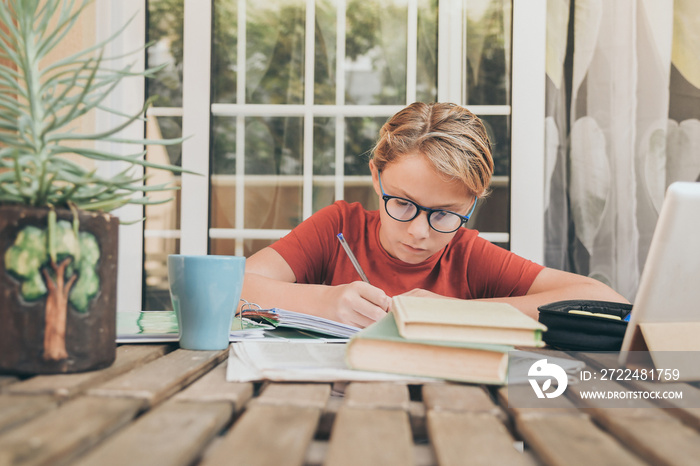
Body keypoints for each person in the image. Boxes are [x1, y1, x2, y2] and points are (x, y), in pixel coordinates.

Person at [242, 102, 628, 327]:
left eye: (444, 215)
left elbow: (606, 303)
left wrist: (452, 312)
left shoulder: (468, 256)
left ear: (472, 205)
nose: (418, 232)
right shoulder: (338, 229)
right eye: (403, 204)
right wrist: (325, 303)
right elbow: (232, 289)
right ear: (377, 176)